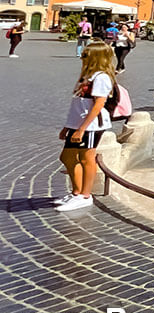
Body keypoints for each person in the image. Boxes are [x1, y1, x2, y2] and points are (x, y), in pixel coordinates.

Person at [57, 40, 116, 211]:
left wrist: (82, 129)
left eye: (86, 55)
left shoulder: (101, 78)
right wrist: (68, 126)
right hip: (77, 123)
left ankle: (85, 195)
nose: (82, 57)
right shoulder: (87, 75)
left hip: (90, 126)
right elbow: (77, 104)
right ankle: (76, 192)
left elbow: (98, 105)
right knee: (67, 157)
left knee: (86, 158)